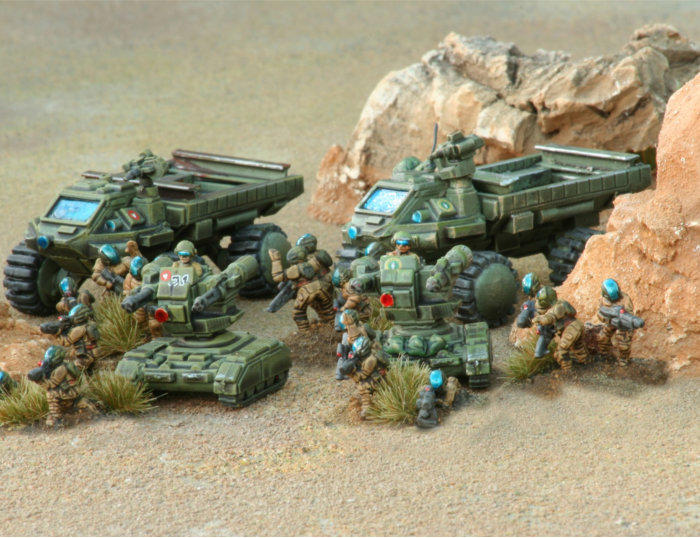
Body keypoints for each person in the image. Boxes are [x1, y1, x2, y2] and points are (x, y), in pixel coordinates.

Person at [269, 246, 334, 332]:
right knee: (326, 308)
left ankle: (305, 332)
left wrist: (275, 260)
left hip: (307, 292)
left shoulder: (296, 269)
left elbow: (277, 277)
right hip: (321, 287)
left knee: (298, 312)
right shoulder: (314, 262)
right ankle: (332, 324)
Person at [40, 346, 97, 428]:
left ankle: (58, 420)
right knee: (49, 421)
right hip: (66, 394)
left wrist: (39, 381)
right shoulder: (59, 367)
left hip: (68, 393)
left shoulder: (61, 369)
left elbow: (52, 385)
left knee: (50, 394)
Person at [532, 290, 588, 372]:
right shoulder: (562, 302)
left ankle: (568, 371)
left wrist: (538, 319)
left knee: (561, 351)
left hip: (571, 328)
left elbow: (549, 318)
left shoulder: (557, 307)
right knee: (578, 348)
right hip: (576, 326)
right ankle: (586, 365)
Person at [338, 335, 386, 419]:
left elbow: (362, 376)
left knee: (363, 386)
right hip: (372, 375)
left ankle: (367, 408)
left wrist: (350, 373)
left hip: (379, 379)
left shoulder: (371, 360)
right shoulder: (364, 356)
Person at [597, 278, 635, 366]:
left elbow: (630, 314)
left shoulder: (625, 298)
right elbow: (600, 314)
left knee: (623, 344)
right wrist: (608, 319)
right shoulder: (603, 300)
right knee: (602, 337)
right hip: (610, 322)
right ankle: (605, 356)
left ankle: (624, 360)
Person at [56, 304, 100, 372]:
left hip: (84, 356)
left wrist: (57, 334)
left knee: (71, 371)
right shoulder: (90, 324)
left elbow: (66, 343)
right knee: (91, 372)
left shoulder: (79, 329)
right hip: (94, 353)